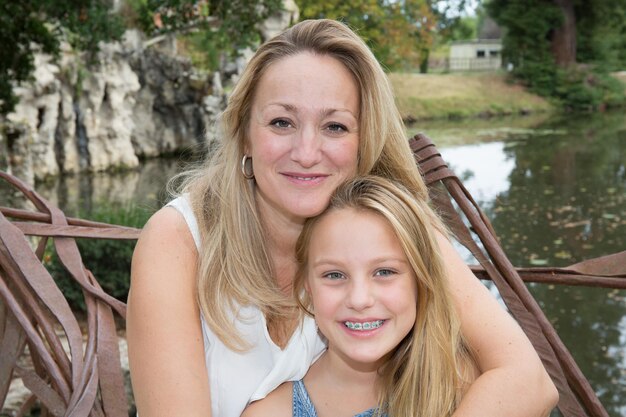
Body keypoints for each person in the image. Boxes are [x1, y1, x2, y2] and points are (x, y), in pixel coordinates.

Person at [127, 18, 558, 417]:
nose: (307, 152)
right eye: (281, 122)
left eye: (334, 127)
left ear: (363, 138)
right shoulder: (178, 242)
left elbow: (528, 381)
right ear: (244, 135)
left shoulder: (394, 230)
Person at [242, 175, 478, 417]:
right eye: (334, 275)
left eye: (384, 272)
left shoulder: (467, 391)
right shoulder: (270, 412)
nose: (359, 299)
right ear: (307, 287)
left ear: (420, 280)